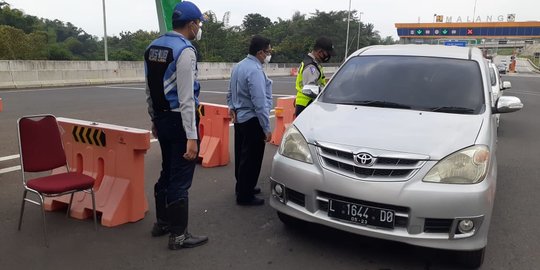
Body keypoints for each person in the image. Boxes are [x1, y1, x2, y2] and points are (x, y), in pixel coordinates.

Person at [144, 1, 208, 250]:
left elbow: (149, 89)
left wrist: (154, 119)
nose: (199, 28)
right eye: (199, 24)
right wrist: (192, 136)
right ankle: (179, 236)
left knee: (167, 171)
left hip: (161, 118)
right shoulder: (185, 50)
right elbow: (187, 98)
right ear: (191, 24)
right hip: (180, 120)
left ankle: (162, 223)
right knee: (180, 179)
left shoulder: (152, 46)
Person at [227, 35, 273, 206]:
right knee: (252, 159)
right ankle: (245, 195)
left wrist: (232, 107)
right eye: (268, 52)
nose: (268, 55)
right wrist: (266, 127)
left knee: (241, 155)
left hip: (240, 118)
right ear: (260, 52)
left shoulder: (238, 66)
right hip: (252, 119)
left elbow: (230, 92)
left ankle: (243, 186)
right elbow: (260, 102)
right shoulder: (255, 70)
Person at [294, 36, 336, 116]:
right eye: (327, 53)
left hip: (307, 104)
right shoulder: (311, 66)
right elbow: (310, 89)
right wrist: (327, 92)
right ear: (320, 51)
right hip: (306, 104)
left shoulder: (313, 63)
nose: (328, 56)